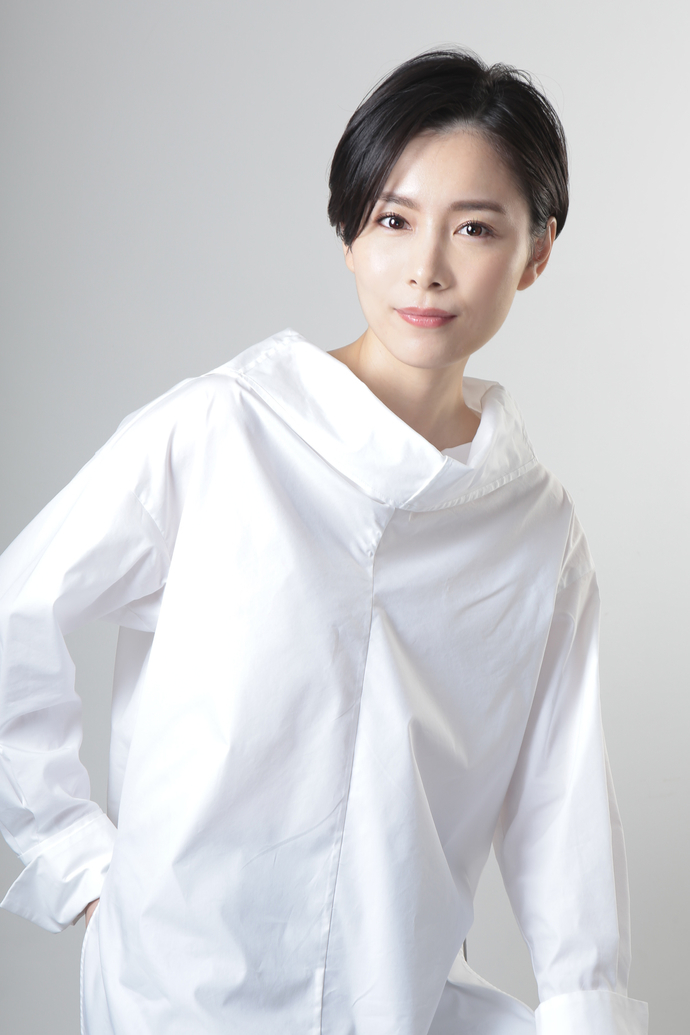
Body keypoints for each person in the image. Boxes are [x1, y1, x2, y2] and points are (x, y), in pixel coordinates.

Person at [0, 48, 648, 1035]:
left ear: (538, 250)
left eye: (475, 227)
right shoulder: (224, 430)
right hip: (175, 995)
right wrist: (75, 860)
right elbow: (17, 613)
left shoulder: (534, 527)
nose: (427, 267)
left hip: (394, 998)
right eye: (393, 219)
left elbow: (561, 800)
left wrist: (584, 1011)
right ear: (349, 232)